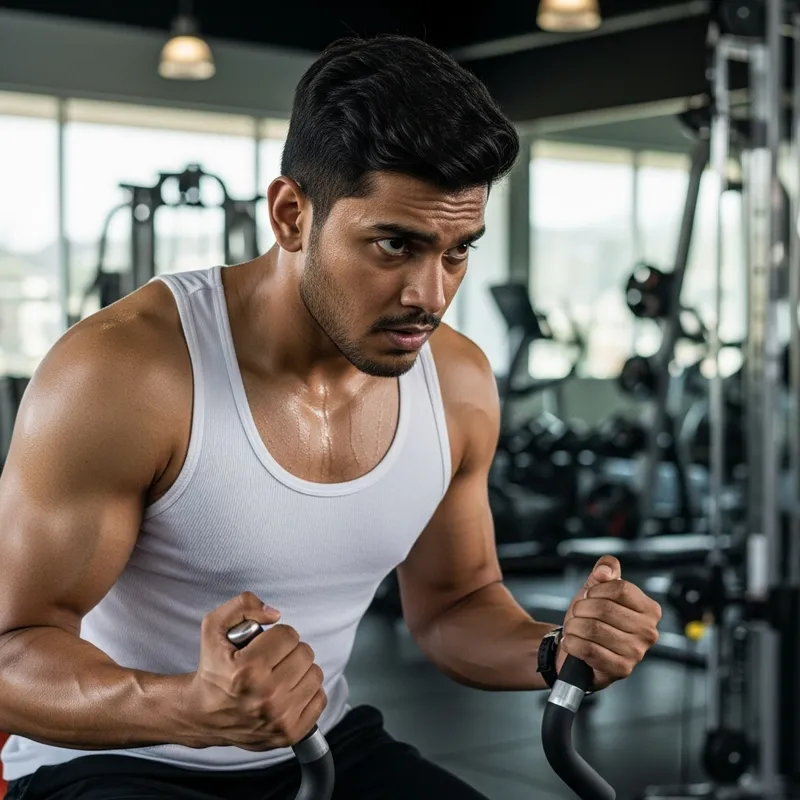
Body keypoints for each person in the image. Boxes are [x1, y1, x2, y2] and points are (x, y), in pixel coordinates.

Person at [0, 34, 662, 800]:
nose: (432, 294)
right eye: (394, 244)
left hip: (321, 748)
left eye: (457, 251)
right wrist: (187, 707)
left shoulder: (457, 382)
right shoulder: (125, 373)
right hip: (113, 762)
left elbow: (455, 604)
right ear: (290, 214)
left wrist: (558, 652)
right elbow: (13, 649)